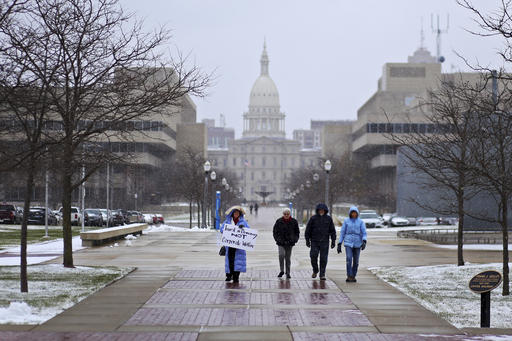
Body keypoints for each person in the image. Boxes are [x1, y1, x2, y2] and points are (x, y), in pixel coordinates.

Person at [305, 203, 336, 280]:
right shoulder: (313, 219)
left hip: (325, 242)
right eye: (320, 210)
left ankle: (322, 274)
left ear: (325, 210)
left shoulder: (328, 219)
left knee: (323, 259)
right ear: (317, 210)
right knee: (313, 256)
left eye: (323, 210)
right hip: (314, 241)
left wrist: (333, 241)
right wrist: (307, 240)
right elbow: (308, 230)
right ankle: (315, 270)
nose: (321, 211)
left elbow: (332, 231)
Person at [337, 206, 367, 283]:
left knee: (356, 261)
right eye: (352, 213)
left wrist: (364, 241)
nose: (354, 214)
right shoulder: (346, 221)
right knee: (349, 258)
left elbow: (364, 232)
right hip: (348, 242)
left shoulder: (360, 222)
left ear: (357, 213)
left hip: (357, 242)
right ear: (350, 213)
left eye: (355, 213)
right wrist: (339, 243)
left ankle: (353, 275)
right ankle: (349, 275)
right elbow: (342, 232)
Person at [221, 206, 250, 283]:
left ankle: (236, 276)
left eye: (237, 213)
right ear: (232, 213)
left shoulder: (243, 222)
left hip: (239, 246)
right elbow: (221, 229)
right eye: (235, 213)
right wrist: (226, 229)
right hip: (230, 245)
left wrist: (243, 228)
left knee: (238, 261)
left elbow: (248, 231)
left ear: (239, 214)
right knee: (230, 260)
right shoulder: (228, 221)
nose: (236, 214)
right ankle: (229, 275)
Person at [272, 208, 300, 279]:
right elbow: (275, 232)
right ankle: (282, 270)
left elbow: (297, 232)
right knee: (281, 255)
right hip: (281, 242)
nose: (286, 215)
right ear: (283, 214)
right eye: (285, 214)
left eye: (288, 214)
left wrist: (294, 240)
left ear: (290, 214)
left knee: (288, 258)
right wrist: (277, 239)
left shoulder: (294, 221)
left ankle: (288, 272)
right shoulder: (279, 221)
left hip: (290, 243)